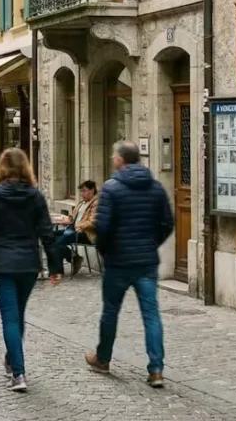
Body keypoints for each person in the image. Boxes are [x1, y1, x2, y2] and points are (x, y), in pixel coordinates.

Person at [0, 148, 63, 393]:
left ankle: (18, 373)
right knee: (18, 315)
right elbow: (47, 233)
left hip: (2, 263)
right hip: (27, 265)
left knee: (10, 317)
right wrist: (55, 267)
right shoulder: (35, 197)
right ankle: (13, 360)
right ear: (25, 167)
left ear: (1, 167)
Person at [85, 141, 173, 389]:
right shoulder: (155, 187)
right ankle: (156, 370)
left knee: (111, 311)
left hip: (119, 262)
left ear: (120, 160)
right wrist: (151, 244)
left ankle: (103, 359)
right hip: (146, 262)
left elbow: (102, 227)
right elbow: (167, 223)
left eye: (114, 156)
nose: (113, 159)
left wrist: (106, 250)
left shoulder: (112, 189)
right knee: (151, 315)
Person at [54, 180, 99, 275]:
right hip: (74, 230)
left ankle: (59, 271)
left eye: (84, 191)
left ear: (92, 190)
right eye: (81, 191)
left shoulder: (96, 203)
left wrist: (77, 225)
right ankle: (74, 258)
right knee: (50, 236)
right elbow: (73, 217)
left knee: (58, 242)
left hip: (86, 234)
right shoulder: (82, 203)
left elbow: (92, 222)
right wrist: (64, 220)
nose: (82, 193)